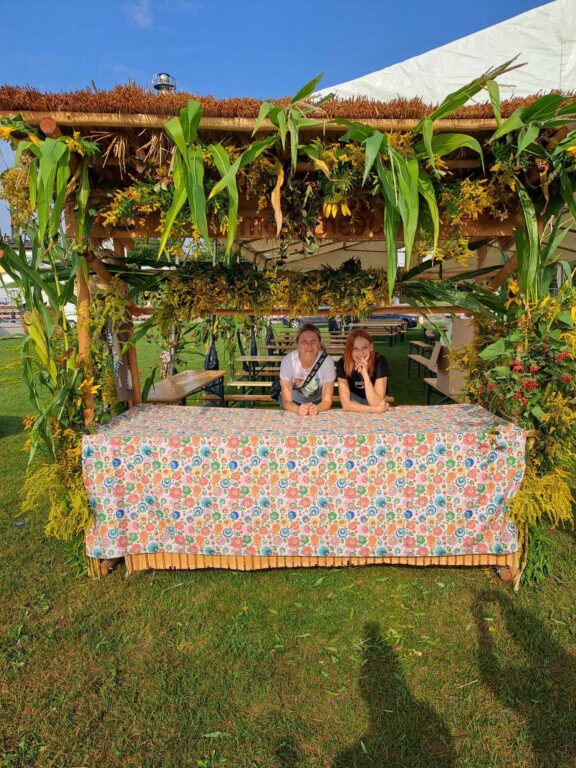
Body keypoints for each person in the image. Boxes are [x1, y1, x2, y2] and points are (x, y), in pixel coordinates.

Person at [278, 323, 336, 417]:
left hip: (317, 402)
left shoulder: (327, 361)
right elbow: (287, 401)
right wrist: (298, 409)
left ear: (319, 344)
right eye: (304, 342)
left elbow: (327, 400)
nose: (309, 346)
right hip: (292, 403)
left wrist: (317, 408)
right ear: (297, 345)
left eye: (313, 341)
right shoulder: (288, 360)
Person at [336, 329, 390, 413]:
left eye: (364, 348)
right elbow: (346, 405)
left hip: (372, 401)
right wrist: (376, 410)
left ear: (371, 347)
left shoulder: (380, 361)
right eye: (355, 349)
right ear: (349, 350)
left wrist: (365, 375)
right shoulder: (343, 363)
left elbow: (375, 402)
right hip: (354, 403)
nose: (360, 353)